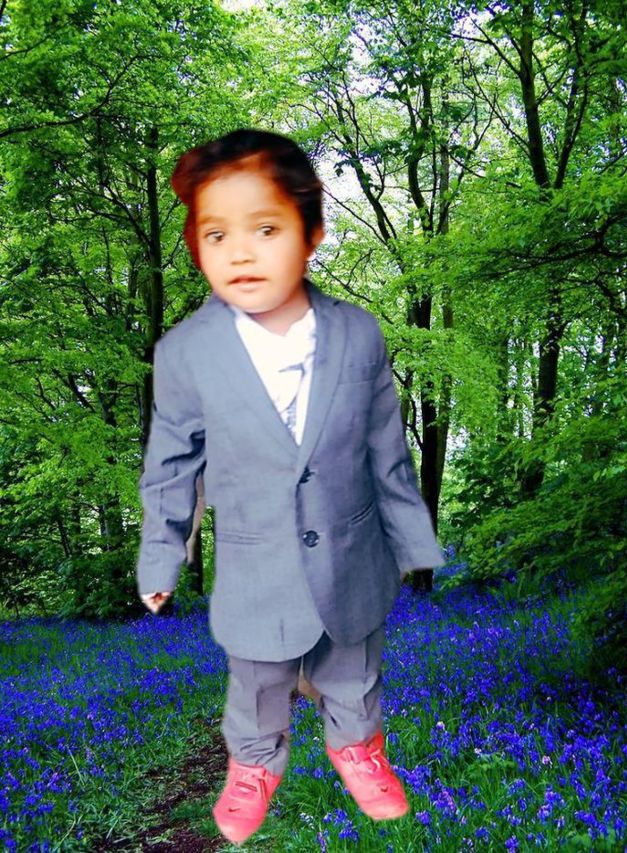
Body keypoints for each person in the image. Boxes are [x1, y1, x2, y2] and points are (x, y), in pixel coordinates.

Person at [136, 127, 445, 846]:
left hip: (351, 547)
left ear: (312, 235)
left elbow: (386, 449)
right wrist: (161, 558)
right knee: (257, 679)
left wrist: (413, 542)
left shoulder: (357, 334)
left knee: (353, 666)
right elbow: (171, 466)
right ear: (196, 248)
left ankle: (357, 747)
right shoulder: (185, 354)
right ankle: (253, 765)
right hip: (256, 563)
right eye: (216, 234)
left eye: (266, 229)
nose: (240, 252)